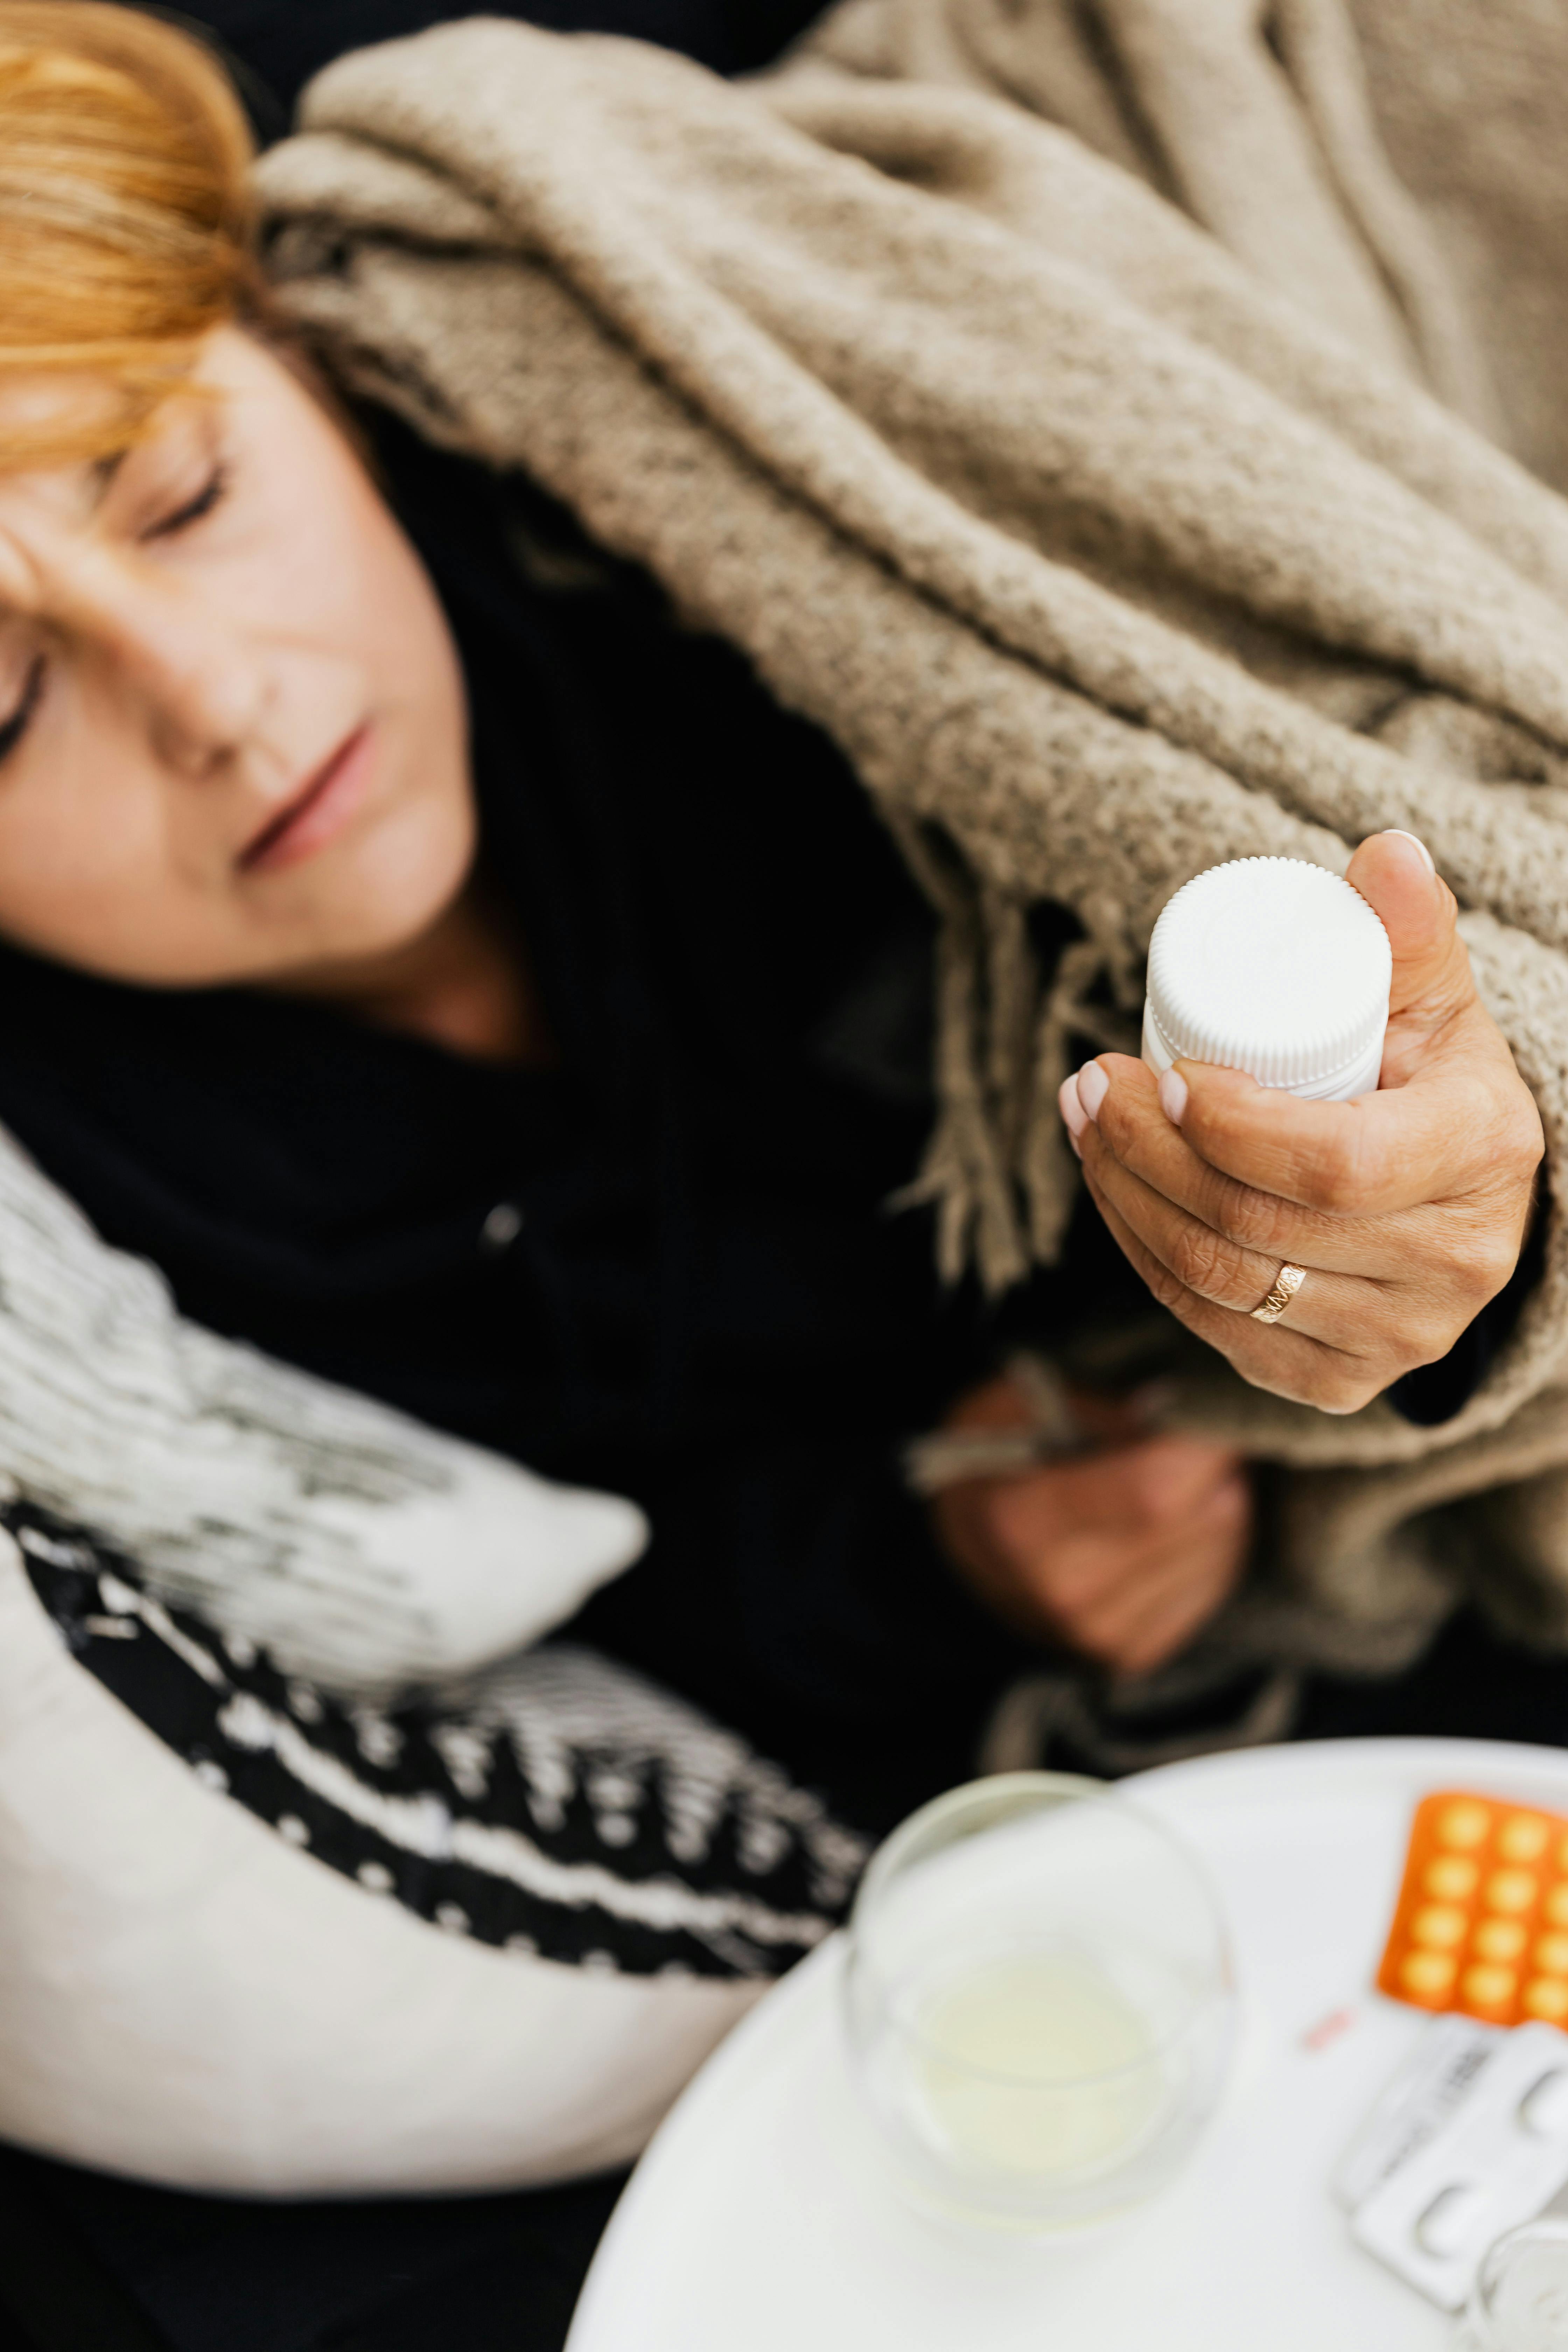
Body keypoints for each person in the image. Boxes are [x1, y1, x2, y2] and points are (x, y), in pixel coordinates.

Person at [0, 5, 1547, 2348]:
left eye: (187, 492)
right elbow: (616, 1613)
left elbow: (1314, 720)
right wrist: (948, 1562)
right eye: (3, 708)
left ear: (298, 366)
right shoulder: (123, 1255)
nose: (213, 692)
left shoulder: (673, 525)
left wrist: (1484, 1169)